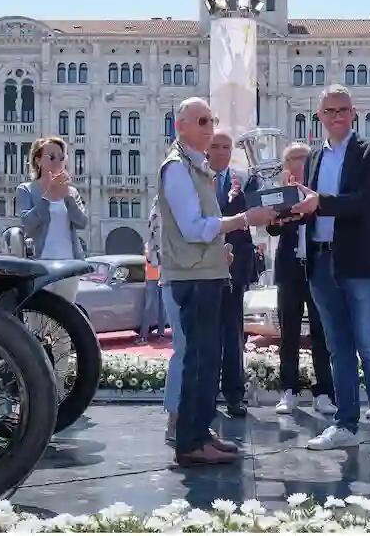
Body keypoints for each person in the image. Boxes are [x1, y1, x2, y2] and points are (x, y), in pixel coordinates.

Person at [158, 97, 274, 464]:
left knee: (208, 358)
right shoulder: (177, 168)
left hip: (206, 272)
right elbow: (193, 228)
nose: (210, 127)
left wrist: (219, 249)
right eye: (203, 121)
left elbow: (201, 225)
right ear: (181, 127)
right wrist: (243, 219)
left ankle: (198, 431)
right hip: (193, 277)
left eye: (213, 120)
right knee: (199, 359)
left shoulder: (196, 166)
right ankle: (191, 443)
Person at [288, 85, 370, 457]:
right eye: (330, 111)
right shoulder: (314, 156)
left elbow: (366, 203)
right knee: (338, 349)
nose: (337, 116)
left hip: (360, 262)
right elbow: (312, 206)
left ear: (354, 113)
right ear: (319, 117)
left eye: (343, 110)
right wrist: (291, 204)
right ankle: (346, 423)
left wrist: (320, 202)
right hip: (320, 261)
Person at [268, 142, 335, 417]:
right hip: (289, 269)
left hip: (318, 268)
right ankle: (289, 389)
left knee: (322, 332)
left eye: (303, 158)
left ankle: (324, 392)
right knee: (289, 332)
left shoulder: (319, 193)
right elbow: (271, 228)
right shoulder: (279, 194)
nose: (298, 162)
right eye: (293, 158)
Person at [208, 129, 263, 417]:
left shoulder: (246, 178)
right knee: (206, 334)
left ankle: (233, 395)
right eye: (215, 146)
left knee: (232, 333)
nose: (220, 151)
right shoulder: (195, 178)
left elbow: (258, 210)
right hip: (202, 266)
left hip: (234, 268)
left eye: (226, 147)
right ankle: (206, 394)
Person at [15, 136, 89, 302]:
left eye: (62, 158)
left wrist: (67, 197)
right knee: (37, 315)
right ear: (38, 161)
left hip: (69, 263)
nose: (58, 162)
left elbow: (82, 222)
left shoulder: (72, 192)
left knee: (66, 316)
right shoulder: (26, 190)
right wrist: (48, 196)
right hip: (40, 263)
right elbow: (28, 224)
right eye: (52, 157)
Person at [135, 197, 167, 345]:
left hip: (157, 272)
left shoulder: (158, 224)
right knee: (158, 305)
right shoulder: (154, 231)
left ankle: (148, 335)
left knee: (157, 305)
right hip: (157, 272)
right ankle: (153, 334)